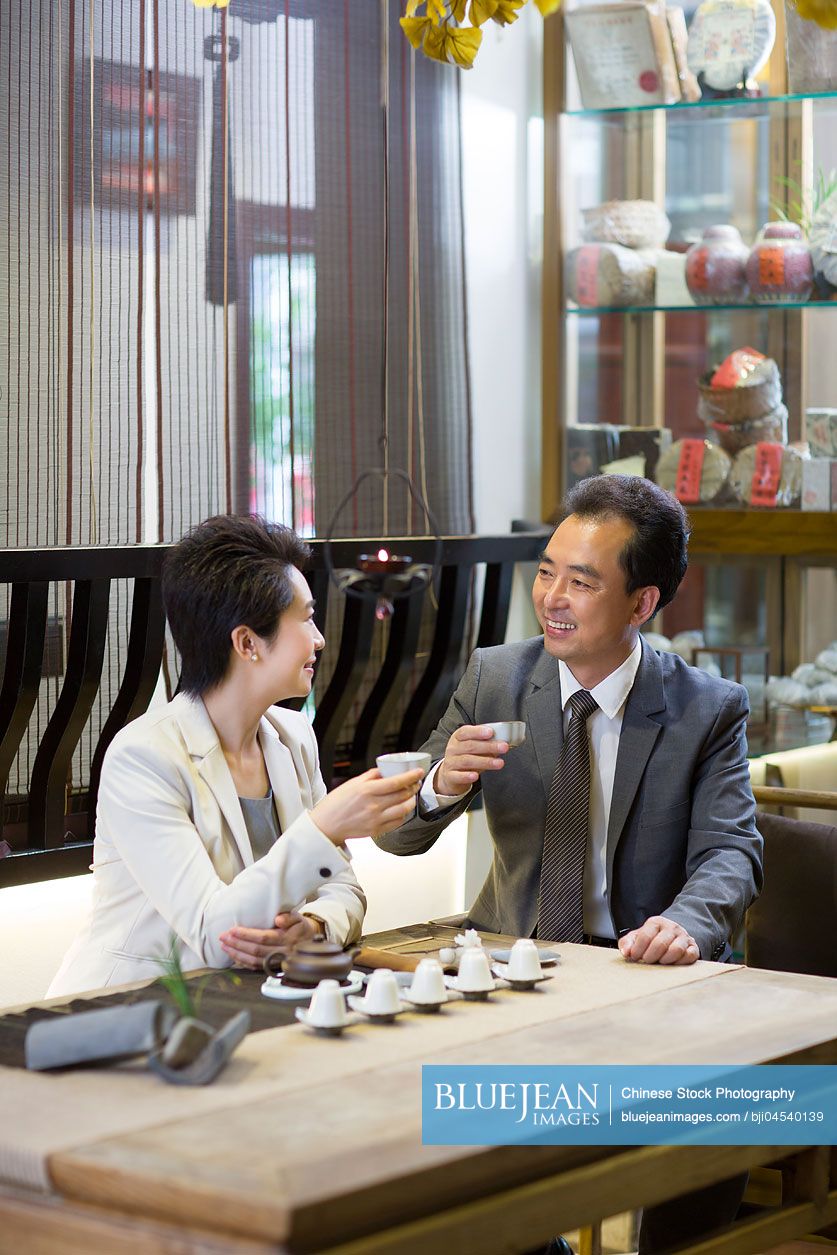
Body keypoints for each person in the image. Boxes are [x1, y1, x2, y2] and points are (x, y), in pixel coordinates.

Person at [376, 475, 763, 1254]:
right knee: (416, 1118)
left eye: (581, 581)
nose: (550, 595)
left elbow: (731, 850)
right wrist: (436, 782)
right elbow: (398, 835)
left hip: (643, 981)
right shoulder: (496, 677)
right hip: (514, 976)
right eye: (546, 569)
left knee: (751, 1092)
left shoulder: (705, 708)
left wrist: (684, 925)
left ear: (641, 602)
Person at [49, 515, 423, 997]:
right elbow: (214, 936)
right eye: (306, 618)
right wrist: (325, 825)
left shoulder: (292, 736)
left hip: (242, 1001)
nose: (320, 639)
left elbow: (344, 891)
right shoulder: (143, 758)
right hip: (131, 1010)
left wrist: (310, 925)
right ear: (247, 643)